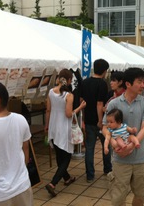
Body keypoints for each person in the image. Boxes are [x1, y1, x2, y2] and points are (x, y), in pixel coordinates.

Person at [102, 67, 144, 206]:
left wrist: (130, 146)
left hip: (141, 157)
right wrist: (113, 143)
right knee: (118, 197)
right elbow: (105, 127)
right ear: (128, 84)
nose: (143, 85)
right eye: (140, 82)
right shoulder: (114, 103)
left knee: (141, 195)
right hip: (120, 158)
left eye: (143, 82)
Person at [45, 68, 86, 197]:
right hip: (64, 128)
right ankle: (53, 183)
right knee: (67, 157)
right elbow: (69, 114)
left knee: (59, 155)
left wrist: (46, 126)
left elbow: (48, 110)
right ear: (68, 81)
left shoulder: (51, 92)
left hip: (53, 127)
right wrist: (80, 107)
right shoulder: (69, 96)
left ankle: (67, 178)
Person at [80, 59, 112, 182]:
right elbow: (100, 104)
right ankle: (107, 169)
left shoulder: (85, 82)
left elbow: (82, 101)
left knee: (89, 148)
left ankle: (90, 174)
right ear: (104, 71)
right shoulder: (102, 84)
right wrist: (100, 120)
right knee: (106, 145)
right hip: (100, 121)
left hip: (88, 119)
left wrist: (84, 117)